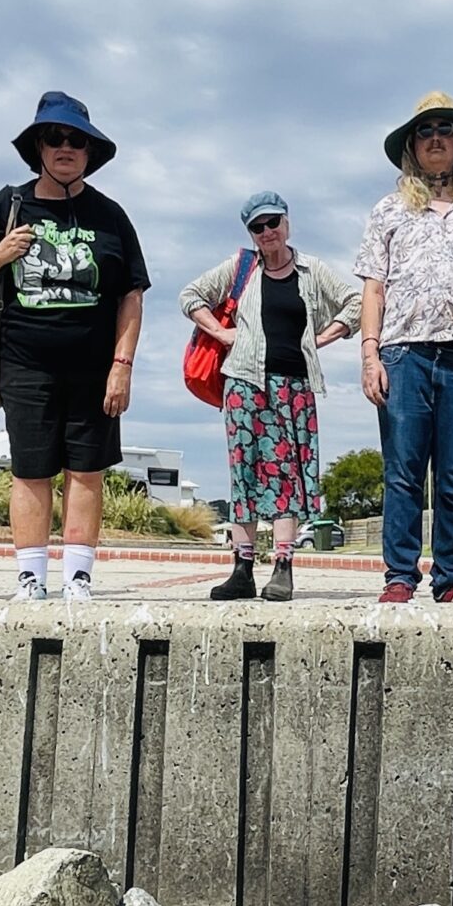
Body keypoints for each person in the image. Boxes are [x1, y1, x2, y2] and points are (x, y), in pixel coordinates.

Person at [0, 92, 147, 604]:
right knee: (31, 468)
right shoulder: (9, 203)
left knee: (86, 470)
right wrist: (3, 251)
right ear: (38, 147)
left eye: (76, 140)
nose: (65, 147)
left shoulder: (111, 216)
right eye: (55, 138)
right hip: (24, 362)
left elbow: (131, 296)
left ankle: (78, 577)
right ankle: (30, 576)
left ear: (89, 152)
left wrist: (121, 364)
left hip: (93, 367)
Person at [356, 92, 453, 604]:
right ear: (412, 146)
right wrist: (370, 355)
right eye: (425, 131)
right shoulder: (388, 210)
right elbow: (374, 287)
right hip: (404, 354)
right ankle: (400, 576)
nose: (436, 138)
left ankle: (452, 578)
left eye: (445, 129)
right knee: (402, 470)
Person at [181, 193, 362, 603]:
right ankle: (241, 567)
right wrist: (222, 333)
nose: (267, 232)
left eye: (273, 222)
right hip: (244, 382)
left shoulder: (312, 270)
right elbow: (190, 296)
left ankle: (283, 566)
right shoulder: (242, 267)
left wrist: (322, 338)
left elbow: (354, 303)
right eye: (257, 227)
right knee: (244, 471)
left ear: (287, 222)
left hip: (293, 386)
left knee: (286, 475)